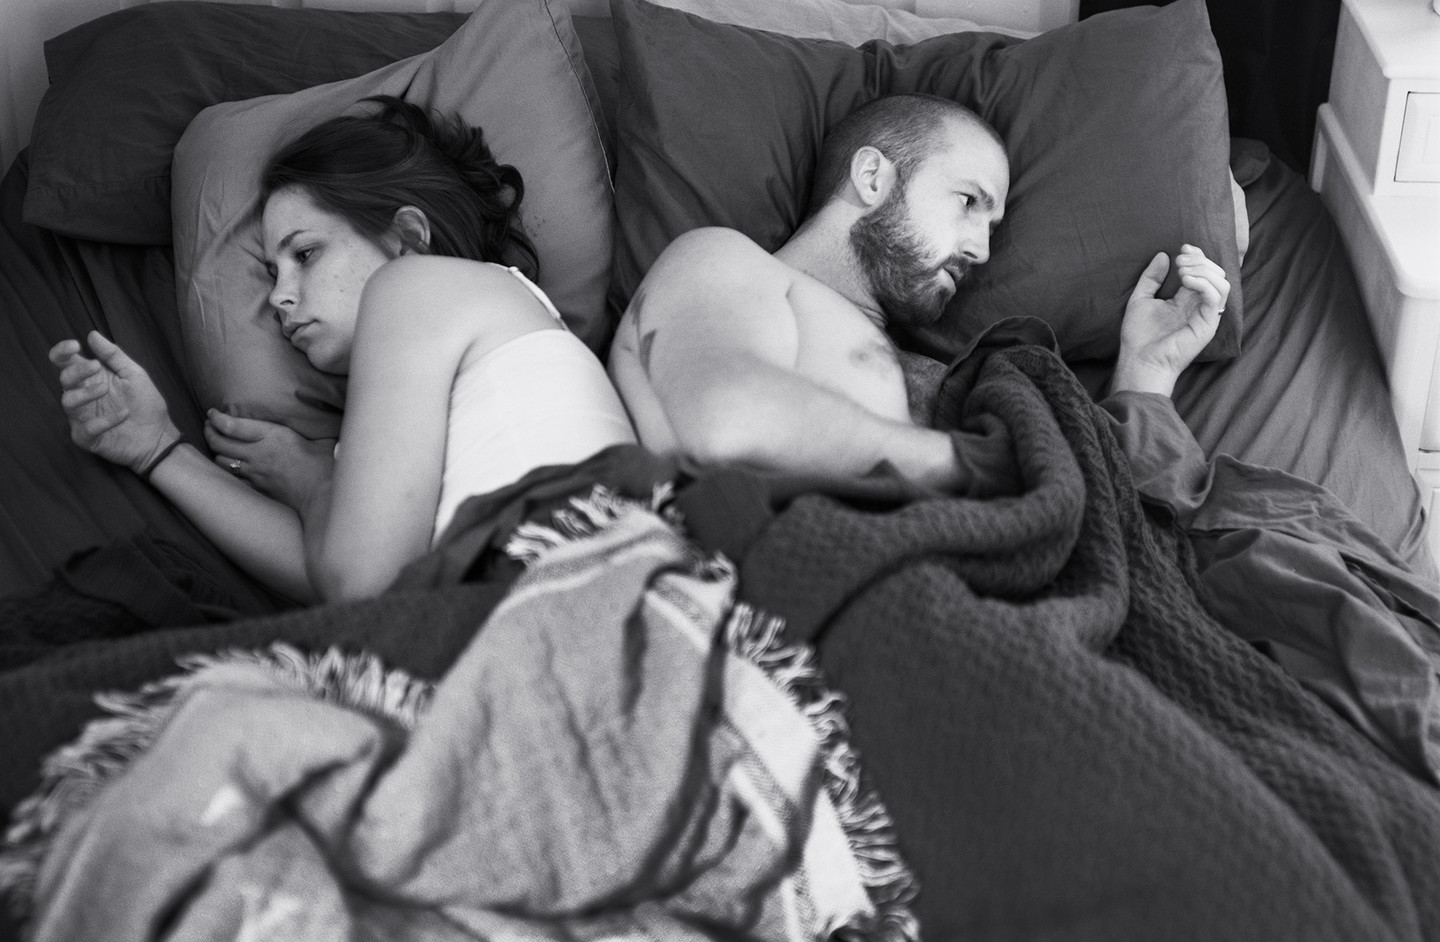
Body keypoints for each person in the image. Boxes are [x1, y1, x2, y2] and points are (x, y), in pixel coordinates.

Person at [50, 96, 636, 604]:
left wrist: (312, 483)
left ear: (407, 238)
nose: (278, 296)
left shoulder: (418, 286)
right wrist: (156, 448)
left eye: (305, 254)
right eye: (273, 270)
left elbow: (359, 582)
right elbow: (329, 572)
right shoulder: (412, 392)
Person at [608, 93, 1229, 487]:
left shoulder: (939, 375)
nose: (982, 251)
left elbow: (1118, 502)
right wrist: (985, 467)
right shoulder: (721, 260)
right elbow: (722, 424)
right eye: (969, 202)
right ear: (872, 176)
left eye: (992, 227)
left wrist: (1147, 374)